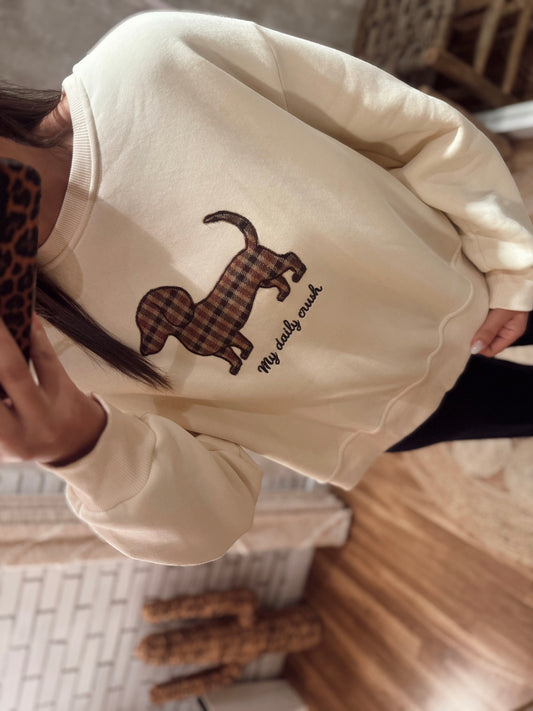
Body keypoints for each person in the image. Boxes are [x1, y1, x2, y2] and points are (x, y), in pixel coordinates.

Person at [0, 10, 532, 565]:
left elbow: (409, 129)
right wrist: (85, 451)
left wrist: (510, 263)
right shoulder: (40, 361)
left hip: (469, 281)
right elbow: (213, 523)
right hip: (392, 416)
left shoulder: (156, 65)